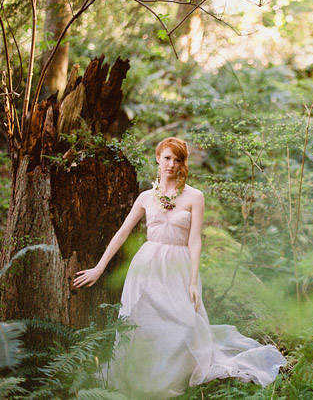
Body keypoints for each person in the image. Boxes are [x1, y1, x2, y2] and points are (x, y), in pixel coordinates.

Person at [73, 137, 286, 399]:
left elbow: (195, 241)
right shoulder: (145, 197)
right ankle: (141, 382)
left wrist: (193, 281)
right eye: (167, 158)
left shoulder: (195, 196)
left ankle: (172, 382)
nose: (171, 164)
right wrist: (99, 268)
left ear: (182, 163)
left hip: (179, 266)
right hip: (147, 265)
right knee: (143, 325)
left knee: (184, 324)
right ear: (158, 159)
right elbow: (122, 233)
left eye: (177, 159)